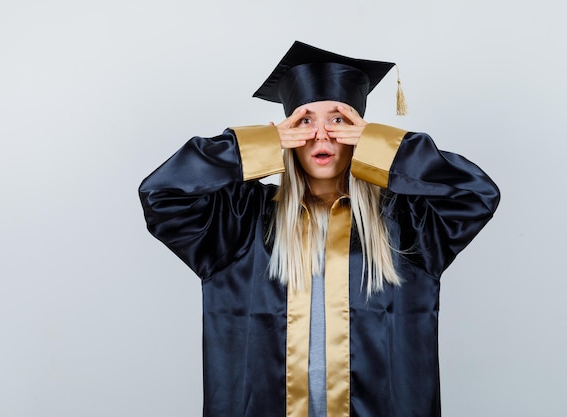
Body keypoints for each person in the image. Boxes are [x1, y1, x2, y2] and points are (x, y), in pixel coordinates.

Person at [138, 41, 500, 417]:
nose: (321, 134)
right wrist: (255, 145)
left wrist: (383, 146)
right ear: (286, 133)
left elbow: (477, 194)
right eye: (305, 121)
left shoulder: (406, 222)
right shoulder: (241, 220)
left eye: (339, 120)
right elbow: (161, 195)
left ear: (361, 132)